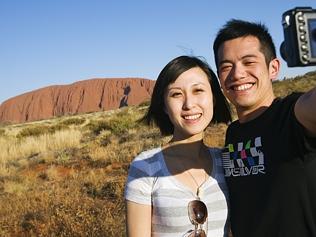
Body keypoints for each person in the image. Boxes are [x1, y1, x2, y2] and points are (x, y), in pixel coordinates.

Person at [212, 19, 316, 237]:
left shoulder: (292, 116)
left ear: (273, 68)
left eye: (249, 62)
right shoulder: (233, 134)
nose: (237, 74)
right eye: (226, 66)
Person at [125, 55, 232, 237]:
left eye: (198, 90)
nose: (189, 104)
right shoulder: (145, 167)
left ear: (213, 97)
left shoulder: (227, 160)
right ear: (165, 106)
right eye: (176, 94)